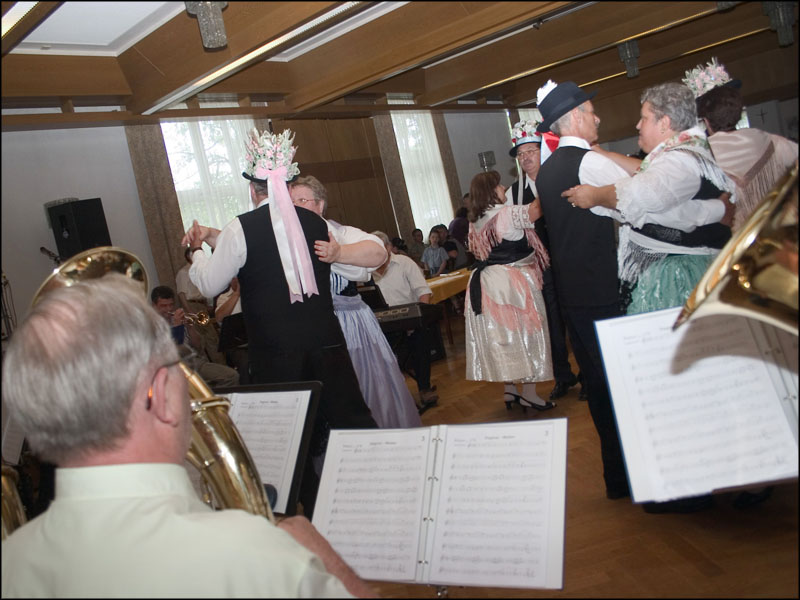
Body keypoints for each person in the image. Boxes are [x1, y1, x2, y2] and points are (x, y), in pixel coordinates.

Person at [1, 273, 374, 598]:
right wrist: (322, 560)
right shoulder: (251, 553)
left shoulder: (12, 562)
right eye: (179, 368)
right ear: (160, 394)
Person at [181, 127, 385, 518]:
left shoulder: (241, 228)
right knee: (352, 421)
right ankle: (374, 493)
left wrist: (196, 252)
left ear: (252, 189)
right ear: (287, 186)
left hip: (276, 352)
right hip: (327, 343)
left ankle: (308, 512)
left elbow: (209, 283)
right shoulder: (315, 223)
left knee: (292, 440)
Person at [563, 82, 735, 316]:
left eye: (644, 118)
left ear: (664, 123)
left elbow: (640, 194)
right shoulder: (681, 151)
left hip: (676, 277)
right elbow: (647, 172)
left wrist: (594, 195)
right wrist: (603, 153)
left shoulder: (680, 162)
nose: (637, 125)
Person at [289, 175, 421, 429]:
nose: (295, 207)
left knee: (364, 388)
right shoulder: (286, 244)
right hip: (311, 330)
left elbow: (378, 252)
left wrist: (338, 253)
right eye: (291, 202)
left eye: (302, 200)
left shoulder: (341, 233)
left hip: (350, 323)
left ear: (320, 205)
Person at [465, 170, 554, 412]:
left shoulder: (475, 221)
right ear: (490, 191)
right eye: (498, 185)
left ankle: (510, 389)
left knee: (505, 336)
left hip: (488, 283)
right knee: (527, 333)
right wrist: (544, 179)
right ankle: (529, 394)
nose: (503, 187)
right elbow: (537, 209)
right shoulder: (507, 214)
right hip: (513, 282)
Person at [506, 117, 580, 401]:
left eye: (531, 151)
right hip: (539, 267)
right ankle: (563, 376)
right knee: (551, 323)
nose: (525, 158)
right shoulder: (514, 193)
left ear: (543, 150)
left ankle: (589, 375)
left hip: (570, 259)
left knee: (576, 317)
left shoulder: (563, 179)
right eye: (520, 154)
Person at [688, 58, 798, 231]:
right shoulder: (775, 143)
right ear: (739, 113)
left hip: (740, 241)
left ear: (706, 121)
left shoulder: (698, 162)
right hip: (782, 232)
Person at [371, 230, 440, 411]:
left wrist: (417, 319)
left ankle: (424, 388)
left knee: (419, 340)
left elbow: (423, 292)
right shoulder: (365, 270)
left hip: (409, 321)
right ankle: (391, 395)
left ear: (388, 247)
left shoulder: (404, 263)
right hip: (379, 325)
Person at [151, 285, 240, 388]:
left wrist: (190, 328)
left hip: (194, 361)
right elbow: (172, 352)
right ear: (154, 305)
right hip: (174, 366)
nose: (169, 309)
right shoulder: (151, 325)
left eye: (171, 305)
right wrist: (177, 327)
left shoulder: (177, 318)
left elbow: (198, 346)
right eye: (163, 306)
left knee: (232, 375)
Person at [176, 245, 226, 365]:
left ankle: (221, 365)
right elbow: (181, 294)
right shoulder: (183, 272)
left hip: (201, 305)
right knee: (200, 340)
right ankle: (207, 366)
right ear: (189, 256)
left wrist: (208, 304)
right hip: (192, 306)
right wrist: (189, 312)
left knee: (212, 338)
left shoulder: (199, 270)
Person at [213, 276, 250, 384]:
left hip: (255, 342)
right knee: (245, 363)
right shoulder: (223, 297)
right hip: (236, 346)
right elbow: (219, 318)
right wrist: (237, 294)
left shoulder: (253, 293)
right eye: (235, 278)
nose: (238, 280)